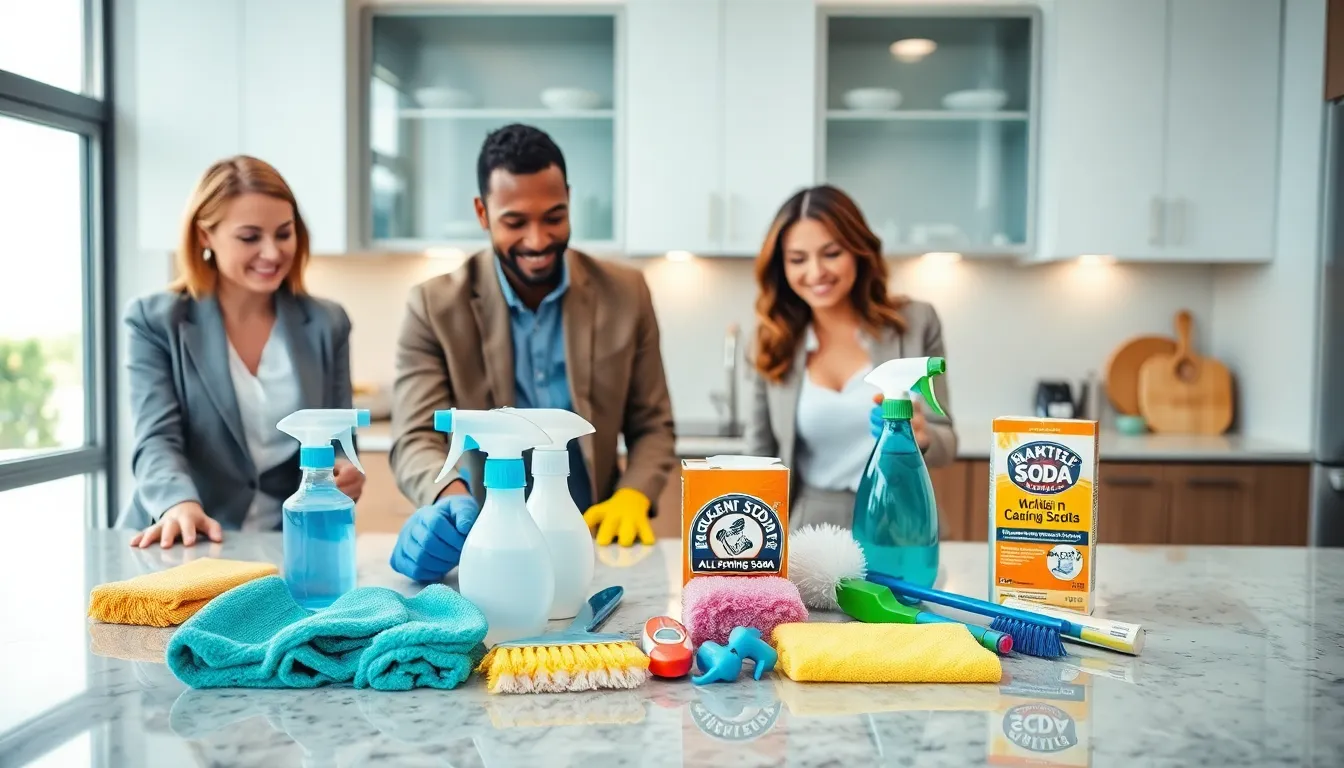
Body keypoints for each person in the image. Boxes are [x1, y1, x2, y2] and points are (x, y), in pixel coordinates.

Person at [387, 124, 676, 582]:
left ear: (569, 200)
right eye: (515, 221)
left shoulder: (626, 293)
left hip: (592, 543)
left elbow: (653, 426)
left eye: (554, 217)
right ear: (482, 212)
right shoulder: (434, 307)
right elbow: (416, 437)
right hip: (485, 544)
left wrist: (634, 494)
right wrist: (450, 496)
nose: (539, 240)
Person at [119, 156, 363, 548]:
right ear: (205, 236)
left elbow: (338, 440)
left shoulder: (327, 323)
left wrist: (346, 471)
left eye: (284, 234)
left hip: (291, 545)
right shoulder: (155, 320)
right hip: (188, 538)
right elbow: (156, 438)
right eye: (250, 237)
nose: (271, 252)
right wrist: (178, 503)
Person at [743, 184, 956, 530]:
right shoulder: (771, 342)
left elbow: (948, 443)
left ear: (859, 251)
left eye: (831, 253)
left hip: (901, 522)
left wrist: (924, 435)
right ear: (782, 267)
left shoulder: (916, 323)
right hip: (809, 528)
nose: (815, 273)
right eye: (798, 259)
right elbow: (757, 458)